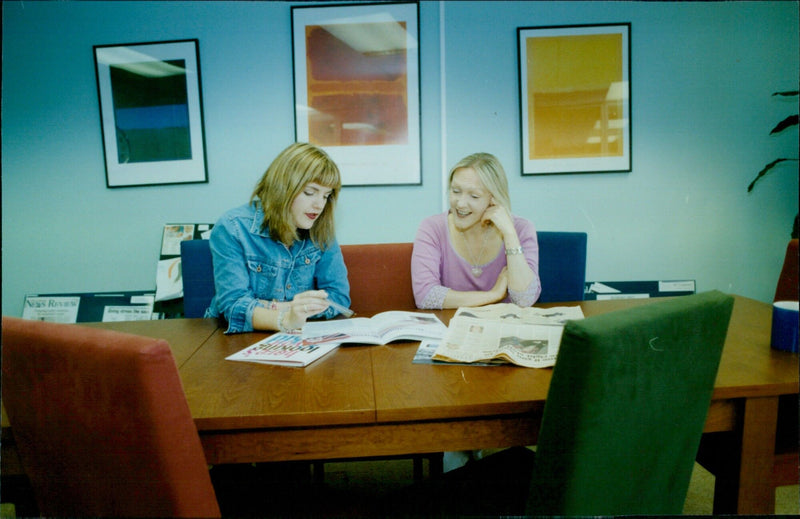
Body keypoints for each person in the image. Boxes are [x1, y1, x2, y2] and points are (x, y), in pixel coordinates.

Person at [205, 142, 350, 334]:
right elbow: (233, 305)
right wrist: (286, 316)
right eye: (310, 192)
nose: (319, 205)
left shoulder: (322, 229)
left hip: (299, 337)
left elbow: (338, 298)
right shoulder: (232, 227)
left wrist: (289, 311)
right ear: (282, 188)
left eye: (326, 195)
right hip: (230, 339)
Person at [411, 152, 541, 309]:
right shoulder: (432, 228)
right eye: (456, 191)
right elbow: (425, 296)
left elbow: (524, 300)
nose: (460, 204)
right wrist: (493, 295)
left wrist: (509, 234)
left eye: (474, 196)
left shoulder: (521, 228)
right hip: (451, 329)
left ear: (494, 199)